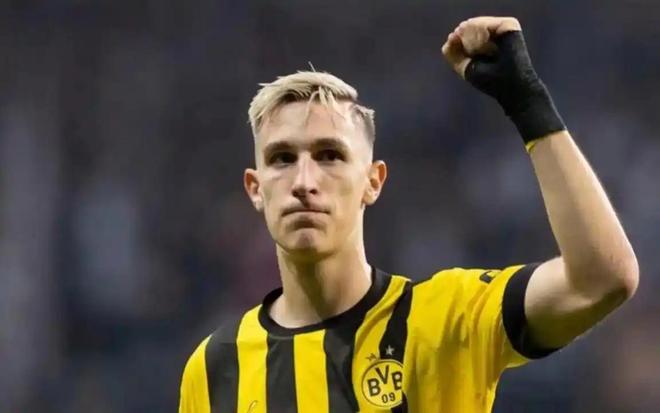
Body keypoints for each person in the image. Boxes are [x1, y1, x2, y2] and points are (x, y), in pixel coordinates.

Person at [178, 16, 639, 413]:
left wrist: (528, 103)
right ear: (255, 188)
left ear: (373, 181)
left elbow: (603, 279)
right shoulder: (215, 367)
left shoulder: (445, 320)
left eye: (330, 155)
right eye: (282, 158)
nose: (303, 180)